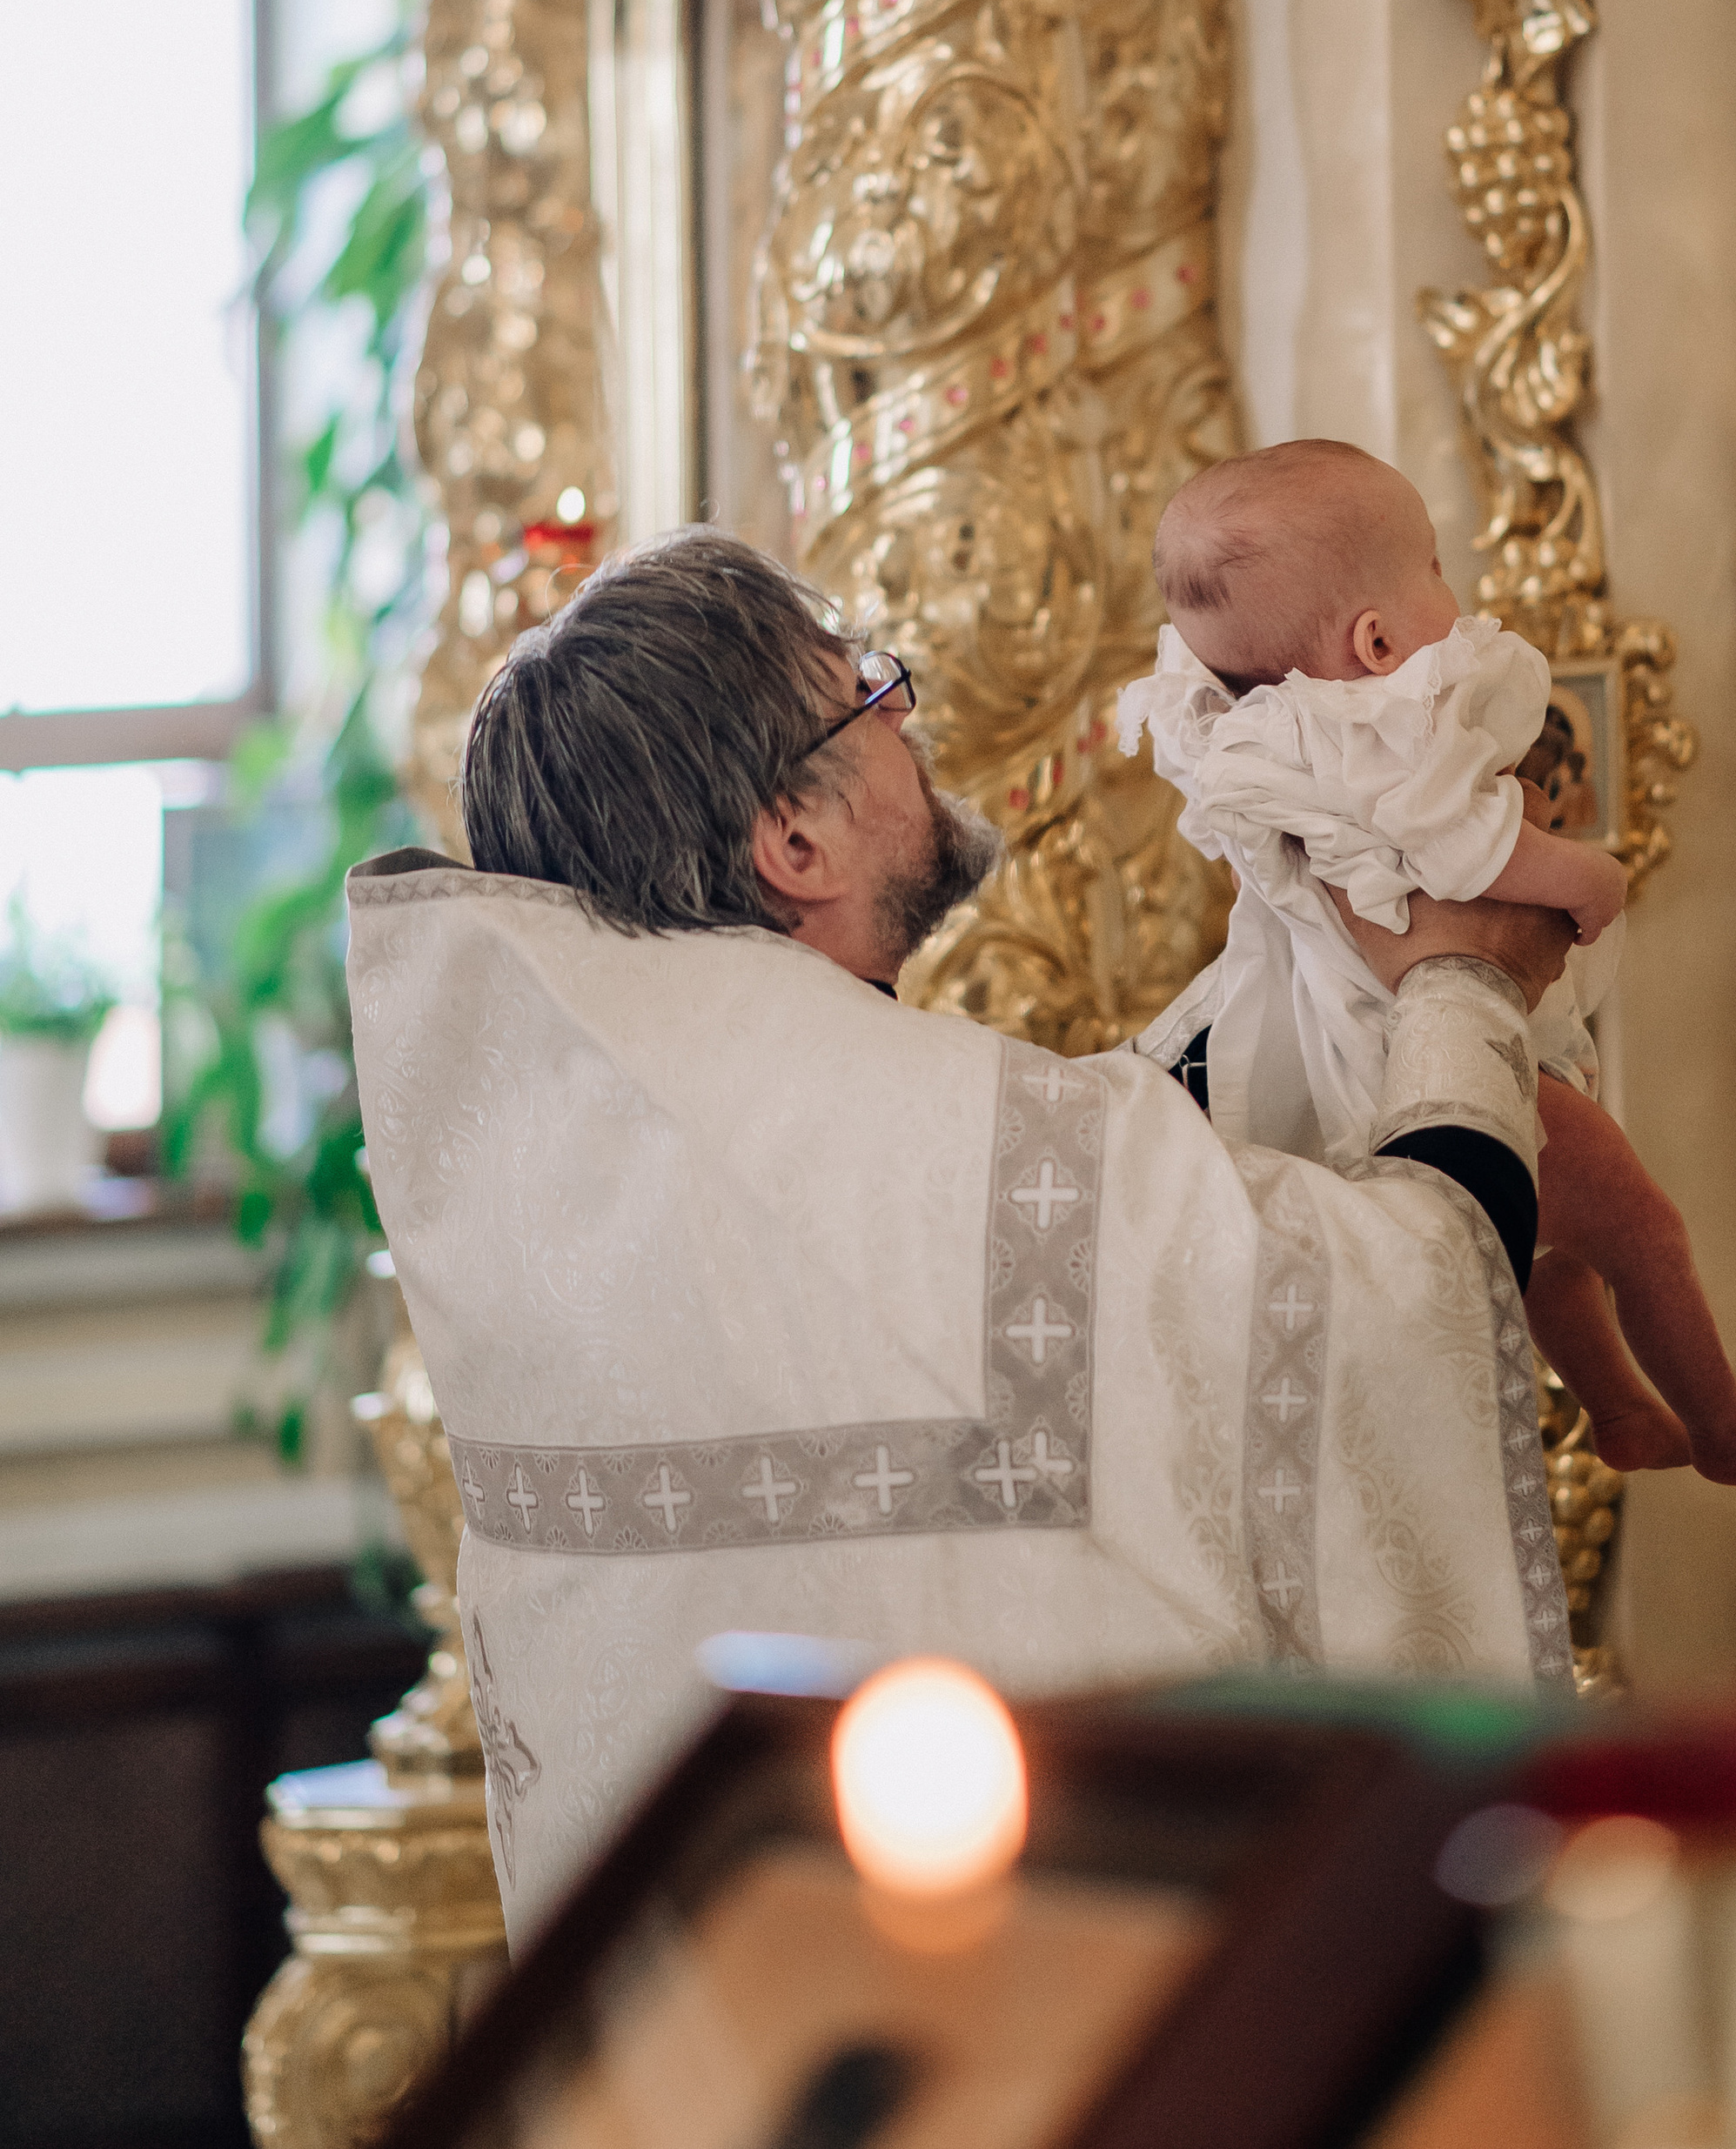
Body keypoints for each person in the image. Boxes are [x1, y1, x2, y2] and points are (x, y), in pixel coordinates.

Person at [347, 530, 1584, 1943]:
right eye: (867, 693)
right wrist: (1463, 986)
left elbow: (1016, 1192)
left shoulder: (577, 1181)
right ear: (792, 839)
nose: (907, 715)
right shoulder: (944, 1151)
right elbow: (1404, 1301)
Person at [1120, 441, 1736, 1506]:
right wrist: (1584, 876)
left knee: (1546, 1246)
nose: (1450, 597)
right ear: (1372, 639)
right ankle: (1726, 1425)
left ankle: (1615, 1407)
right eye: (1430, 569)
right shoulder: (1381, 729)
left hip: (1362, 1055)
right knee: (1641, 1228)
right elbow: (1462, 852)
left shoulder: (1262, 731)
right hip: (1409, 1047)